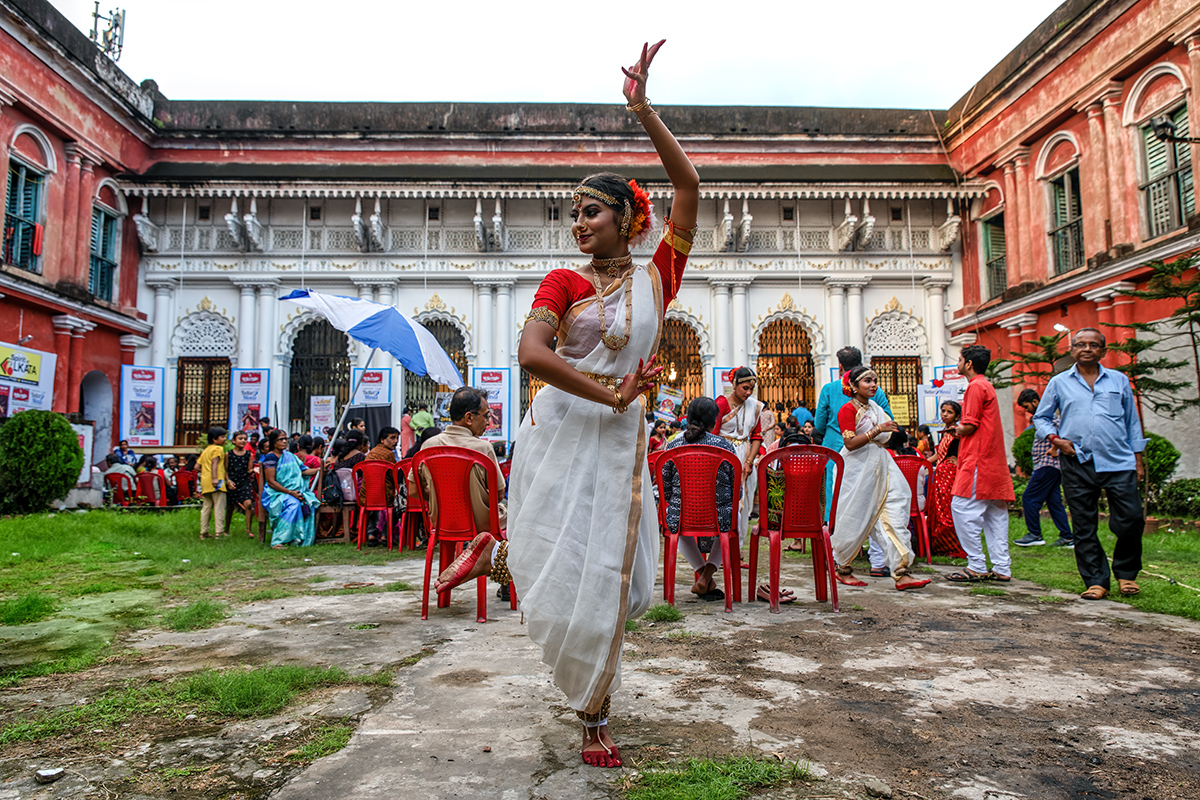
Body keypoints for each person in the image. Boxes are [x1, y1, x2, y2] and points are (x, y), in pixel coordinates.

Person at [429, 41, 694, 769]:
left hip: (621, 438)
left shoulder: (659, 277)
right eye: (573, 215)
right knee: (569, 566)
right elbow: (532, 356)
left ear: (626, 218)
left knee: (614, 576)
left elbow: (689, 185)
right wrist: (612, 392)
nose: (579, 224)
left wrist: (643, 109)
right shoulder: (562, 282)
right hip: (562, 430)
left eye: (592, 212)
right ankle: (592, 714)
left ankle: (502, 561)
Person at [1034, 328, 1145, 599]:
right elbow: (1041, 417)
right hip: (1077, 461)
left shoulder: (1119, 380)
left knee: (1131, 520)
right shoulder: (1059, 382)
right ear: (1072, 350)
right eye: (1081, 344)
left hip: (1118, 461)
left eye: (1093, 345)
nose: (1087, 349)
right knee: (1084, 525)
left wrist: (1138, 460)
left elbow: (1132, 421)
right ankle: (1096, 580)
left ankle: (1126, 574)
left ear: (1103, 351)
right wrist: (1055, 439)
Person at [829, 367, 930, 591]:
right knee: (854, 516)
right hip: (856, 469)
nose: (873, 384)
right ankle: (842, 567)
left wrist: (887, 432)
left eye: (875, 380)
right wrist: (877, 430)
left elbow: (885, 439)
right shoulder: (847, 409)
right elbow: (850, 444)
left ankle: (901, 572)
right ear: (853, 386)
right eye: (867, 381)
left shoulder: (876, 408)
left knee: (895, 510)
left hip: (882, 463)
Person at [946, 345, 1015, 583]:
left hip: (978, 459)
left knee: (962, 508)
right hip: (992, 460)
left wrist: (955, 430)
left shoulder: (975, 386)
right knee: (995, 514)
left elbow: (969, 425)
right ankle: (1002, 567)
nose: (958, 363)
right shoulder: (986, 385)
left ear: (968, 364)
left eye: (959, 359)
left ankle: (976, 564)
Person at [661, 397, 738, 601]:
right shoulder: (725, 446)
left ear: (688, 418)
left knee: (674, 521)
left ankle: (703, 575)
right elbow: (736, 491)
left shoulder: (673, 445)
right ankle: (706, 576)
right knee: (733, 520)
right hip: (719, 515)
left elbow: (666, 489)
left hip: (682, 514)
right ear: (714, 422)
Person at [409, 387, 507, 535]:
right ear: (469, 418)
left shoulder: (429, 445)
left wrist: (444, 499)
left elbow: (413, 490)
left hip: (442, 521)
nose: (488, 422)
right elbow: (498, 494)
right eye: (486, 416)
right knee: (512, 512)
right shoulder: (483, 448)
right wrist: (475, 499)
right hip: (480, 523)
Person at [1014, 388, 1073, 548]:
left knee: (1029, 497)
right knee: (1054, 502)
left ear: (1035, 402)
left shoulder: (1046, 417)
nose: (1026, 410)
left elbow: (1062, 432)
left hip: (1047, 464)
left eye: (1026, 406)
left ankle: (1035, 534)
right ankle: (1068, 537)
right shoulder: (1042, 418)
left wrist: (1055, 448)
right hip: (1049, 466)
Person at [713, 366, 763, 536]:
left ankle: (738, 544)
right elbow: (713, 434)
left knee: (745, 500)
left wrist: (749, 462)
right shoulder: (721, 404)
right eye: (745, 388)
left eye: (751, 389)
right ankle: (721, 543)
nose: (748, 393)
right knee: (723, 499)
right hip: (723, 454)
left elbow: (756, 436)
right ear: (734, 385)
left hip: (746, 453)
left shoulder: (754, 407)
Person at [261, 428, 320, 548]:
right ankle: (278, 540)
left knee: (309, 502)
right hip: (276, 493)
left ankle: (295, 537)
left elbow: (304, 471)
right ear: (274, 442)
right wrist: (290, 492)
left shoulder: (290, 456)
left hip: (292, 492)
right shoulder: (271, 457)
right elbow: (271, 482)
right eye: (281, 439)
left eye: (285, 439)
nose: (284, 441)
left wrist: (320, 469)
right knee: (294, 504)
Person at [927, 401, 967, 558]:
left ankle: (953, 546)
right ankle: (941, 546)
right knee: (939, 509)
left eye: (949, 412)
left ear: (957, 416)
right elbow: (938, 455)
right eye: (943, 411)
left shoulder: (957, 432)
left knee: (948, 509)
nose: (944, 414)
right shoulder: (947, 432)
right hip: (941, 474)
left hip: (950, 475)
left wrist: (959, 461)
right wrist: (923, 463)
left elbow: (967, 449)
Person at [362, 426, 401, 546]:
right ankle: (385, 534)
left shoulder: (371, 453)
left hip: (367, 494)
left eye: (397, 438)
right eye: (392, 438)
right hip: (384, 494)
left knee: (373, 507)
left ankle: (371, 534)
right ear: (382, 440)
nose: (396, 441)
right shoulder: (388, 454)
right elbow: (393, 475)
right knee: (399, 506)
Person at [197, 426, 228, 539]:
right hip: (217, 481)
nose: (224, 439)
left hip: (205, 481)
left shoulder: (206, 450)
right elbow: (215, 463)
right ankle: (219, 532)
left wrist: (206, 472)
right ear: (214, 439)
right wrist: (214, 478)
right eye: (222, 437)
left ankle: (203, 532)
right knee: (219, 506)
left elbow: (197, 466)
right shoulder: (218, 449)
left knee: (206, 507)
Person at [225, 430, 257, 539]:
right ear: (234, 441)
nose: (243, 441)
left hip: (244, 481)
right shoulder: (228, 454)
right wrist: (228, 481)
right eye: (240, 439)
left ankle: (248, 529)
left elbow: (249, 470)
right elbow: (225, 470)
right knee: (230, 507)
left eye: (245, 439)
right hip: (232, 482)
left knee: (248, 504)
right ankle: (226, 528)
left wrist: (254, 470)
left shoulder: (248, 454)